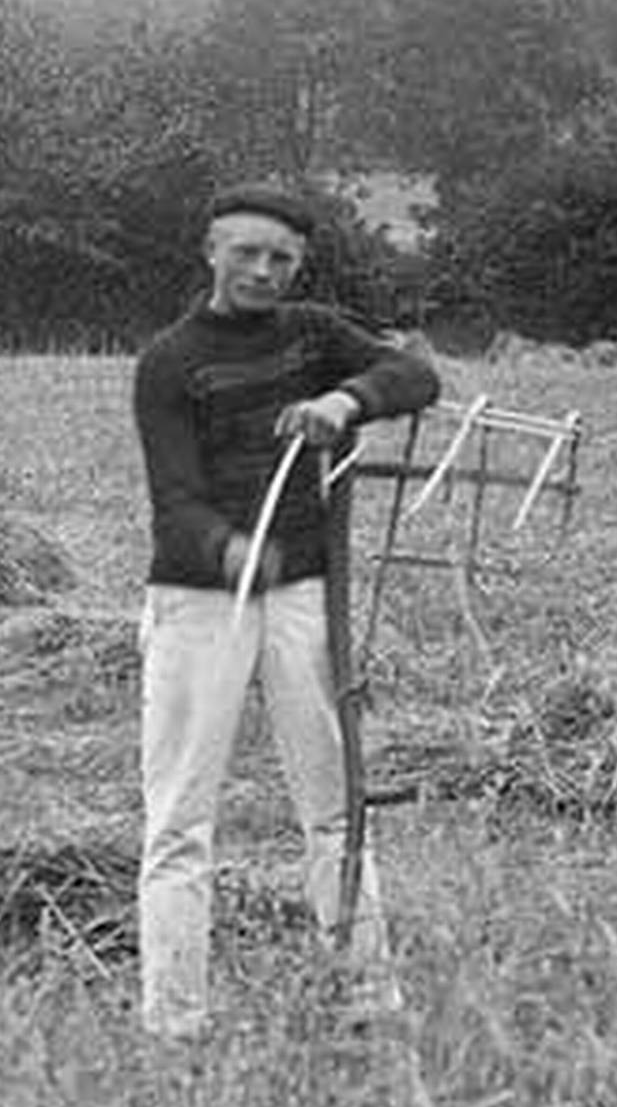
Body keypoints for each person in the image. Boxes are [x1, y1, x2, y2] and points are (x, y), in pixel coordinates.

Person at [132, 183, 440, 1039]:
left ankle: (366, 999)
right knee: (182, 818)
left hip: (304, 593)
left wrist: (346, 400)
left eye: (282, 259)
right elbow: (175, 503)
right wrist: (231, 551)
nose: (264, 271)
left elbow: (415, 373)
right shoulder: (168, 360)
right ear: (211, 249)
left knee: (335, 804)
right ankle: (175, 1022)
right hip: (201, 604)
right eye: (248, 253)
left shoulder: (312, 334)